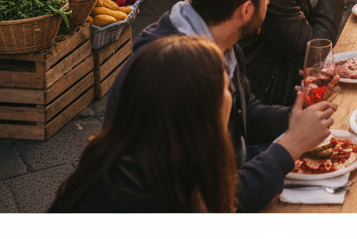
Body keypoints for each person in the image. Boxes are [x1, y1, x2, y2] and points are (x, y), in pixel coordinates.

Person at [105, 0, 338, 212]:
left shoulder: (221, 38)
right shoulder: (175, 76)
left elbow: (245, 111)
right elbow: (212, 203)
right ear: (246, 10)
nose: (270, 3)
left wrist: (291, 117)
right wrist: (290, 145)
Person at [52, 35, 240, 212]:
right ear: (197, 114)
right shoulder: (135, 200)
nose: (229, 96)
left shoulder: (132, 165)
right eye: (224, 88)